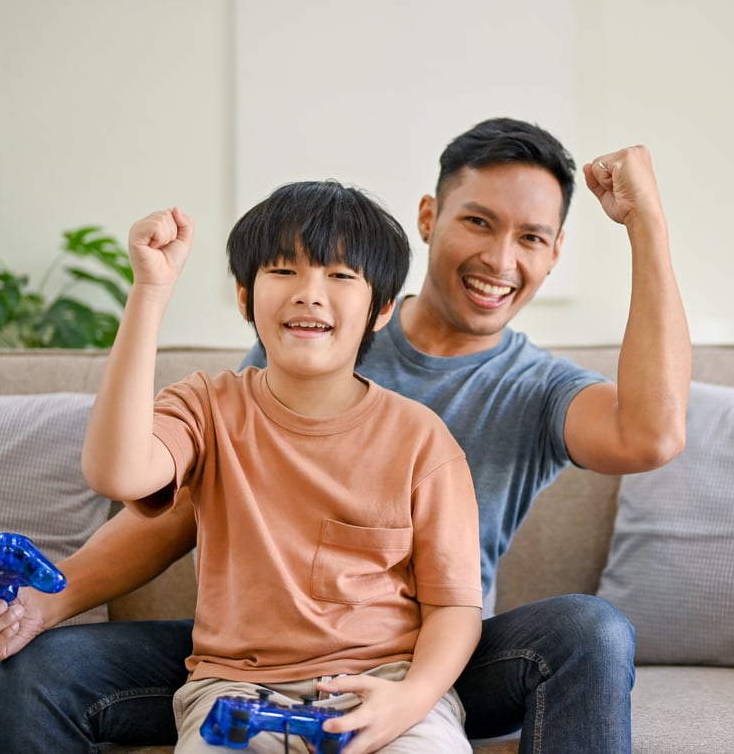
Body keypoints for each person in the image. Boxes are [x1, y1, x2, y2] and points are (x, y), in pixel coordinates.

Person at [0, 118, 691, 753]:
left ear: (554, 255)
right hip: (243, 650)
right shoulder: (292, 344)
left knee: (592, 629)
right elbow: (180, 500)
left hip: (422, 653)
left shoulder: (533, 389)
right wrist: (52, 597)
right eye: (477, 221)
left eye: (531, 237)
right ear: (429, 217)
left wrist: (648, 224)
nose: (500, 258)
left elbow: (652, 436)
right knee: (39, 666)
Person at [82, 182, 483, 753]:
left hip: (385, 686)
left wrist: (412, 699)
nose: (309, 294)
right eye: (283, 271)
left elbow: (455, 608)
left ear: (382, 308)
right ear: (245, 298)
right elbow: (117, 474)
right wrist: (150, 290)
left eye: (341, 276)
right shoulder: (205, 406)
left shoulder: (421, 439)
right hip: (236, 692)